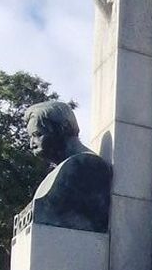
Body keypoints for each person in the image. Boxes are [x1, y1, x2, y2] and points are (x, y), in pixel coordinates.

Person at [24, 100, 111, 233]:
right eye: (31, 137)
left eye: (37, 134)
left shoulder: (86, 165)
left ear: (63, 128)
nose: (32, 144)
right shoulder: (60, 170)